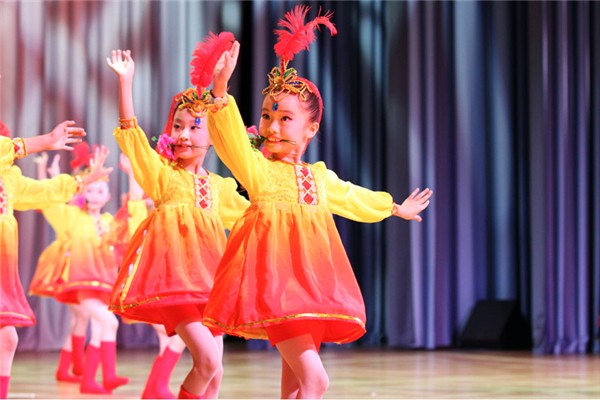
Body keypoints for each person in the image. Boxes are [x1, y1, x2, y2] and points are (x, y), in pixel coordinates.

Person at [197, 6, 433, 399]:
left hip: (311, 289)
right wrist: (220, 91)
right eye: (267, 116)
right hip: (276, 289)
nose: (272, 127)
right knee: (315, 381)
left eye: (285, 119)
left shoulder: (318, 178)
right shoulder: (257, 169)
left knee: (294, 387)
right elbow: (231, 139)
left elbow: (351, 196)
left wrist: (393, 207)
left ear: (312, 128)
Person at [106, 48, 250, 399]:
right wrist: (126, 83)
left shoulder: (219, 188)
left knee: (216, 372)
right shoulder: (163, 176)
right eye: (178, 126)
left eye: (195, 127)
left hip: (211, 288)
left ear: (214, 136)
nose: (183, 134)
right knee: (207, 363)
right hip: (176, 285)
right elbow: (132, 136)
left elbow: (254, 218)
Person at [0, 120, 108, 400]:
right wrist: (45, 141)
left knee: (7, 339)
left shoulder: (9, 178)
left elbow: (43, 192)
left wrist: (82, 181)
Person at [42, 145, 136, 395]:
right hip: (83, 284)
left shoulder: (108, 222)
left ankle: (89, 381)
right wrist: (51, 176)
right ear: (83, 193)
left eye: (100, 190)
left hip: (105, 286)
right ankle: (108, 374)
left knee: (102, 328)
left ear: (107, 195)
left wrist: (131, 174)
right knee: (107, 322)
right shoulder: (74, 217)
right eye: (90, 190)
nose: (95, 195)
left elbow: (128, 223)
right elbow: (51, 204)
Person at [29, 150, 91, 383]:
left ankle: (67, 369)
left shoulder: (90, 217)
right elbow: (46, 197)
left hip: (83, 267)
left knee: (79, 318)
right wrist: (44, 169)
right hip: (68, 270)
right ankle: (78, 367)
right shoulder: (67, 212)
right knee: (82, 315)